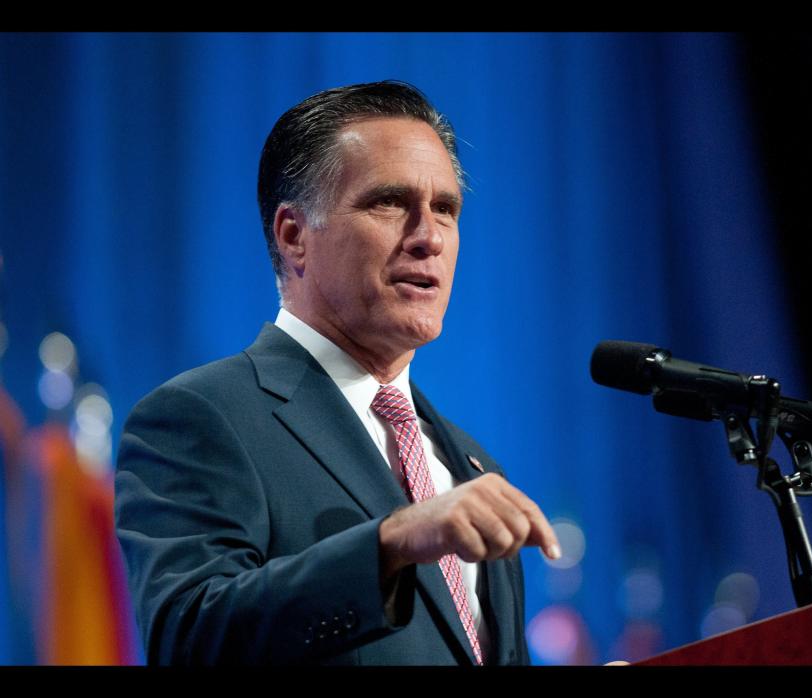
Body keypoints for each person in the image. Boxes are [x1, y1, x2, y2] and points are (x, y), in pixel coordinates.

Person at [114, 81, 561, 666]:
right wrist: (391, 543)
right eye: (389, 203)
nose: (428, 237)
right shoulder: (202, 417)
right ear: (294, 236)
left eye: (446, 209)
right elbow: (190, 637)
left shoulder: (472, 466)